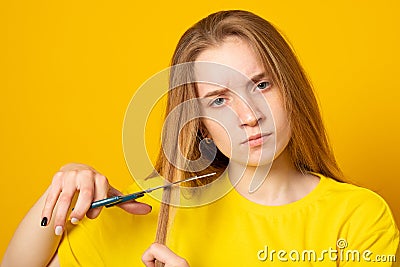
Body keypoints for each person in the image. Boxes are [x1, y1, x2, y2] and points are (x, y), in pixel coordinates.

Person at [2, 10, 399, 267]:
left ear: (290, 88)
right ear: (199, 123)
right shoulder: (154, 211)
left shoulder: (358, 218)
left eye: (261, 85)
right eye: (219, 100)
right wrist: (57, 198)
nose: (247, 116)